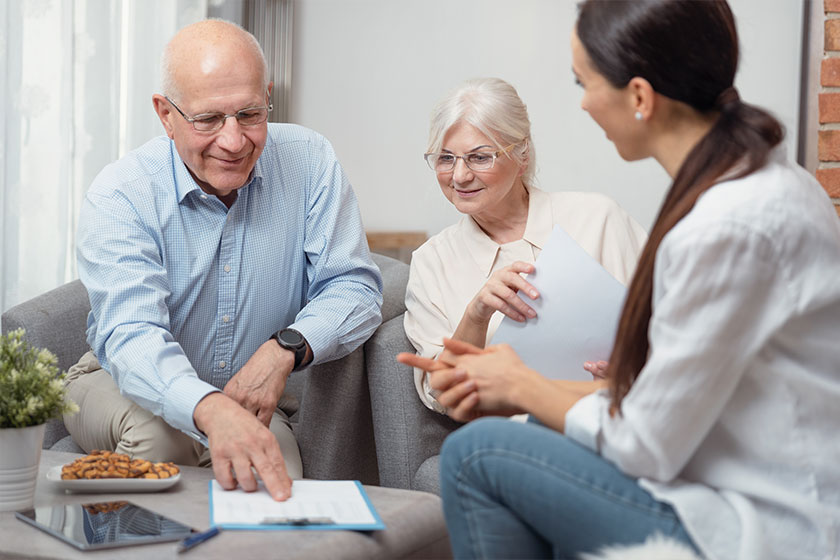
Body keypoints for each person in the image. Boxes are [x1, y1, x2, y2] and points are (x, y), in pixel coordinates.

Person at [399, 1, 840, 558]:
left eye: (585, 83)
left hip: (756, 519)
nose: (582, 103)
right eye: (446, 158)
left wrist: (521, 384)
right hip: (724, 473)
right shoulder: (766, 183)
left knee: (476, 454)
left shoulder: (728, 226)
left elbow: (646, 441)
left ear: (638, 97)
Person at [65, 19, 383, 502]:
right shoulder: (121, 194)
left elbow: (354, 287)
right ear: (165, 114)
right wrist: (212, 410)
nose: (234, 141)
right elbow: (132, 337)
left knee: (278, 477)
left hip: (246, 397)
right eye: (208, 119)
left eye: (250, 114)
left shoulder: (310, 160)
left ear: (267, 97)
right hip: (118, 381)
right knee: (159, 440)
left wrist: (286, 348)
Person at [403, 77, 646, 419]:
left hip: (616, 416)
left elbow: (675, 326)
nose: (459, 176)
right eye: (445, 158)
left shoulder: (598, 218)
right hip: (510, 437)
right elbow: (446, 396)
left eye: (479, 157)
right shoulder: (432, 261)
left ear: (522, 154)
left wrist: (630, 374)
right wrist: (477, 313)